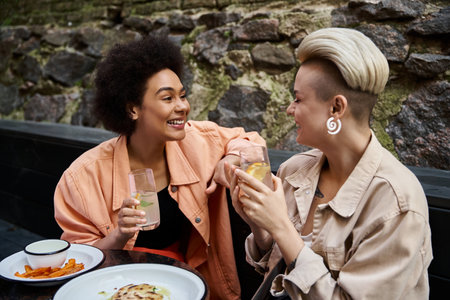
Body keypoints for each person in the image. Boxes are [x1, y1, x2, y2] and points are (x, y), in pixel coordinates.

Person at [53, 35, 265, 300]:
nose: (182, 107)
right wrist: (120, 235)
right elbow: (80, 260)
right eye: (168, 98)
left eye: (183, 96)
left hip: (186, 283)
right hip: (117, 288)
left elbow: (251, 141)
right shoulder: (82, 177)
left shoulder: (198, 140)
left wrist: (231, 158)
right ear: (133, 109)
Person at [229, 27, 432, 299]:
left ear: (336, 108)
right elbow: (276, 270)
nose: (290, 109)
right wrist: (260, 227)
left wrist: (280, 225)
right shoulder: (294, 170)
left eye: (298, 99)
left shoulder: (396, 204)